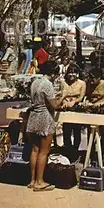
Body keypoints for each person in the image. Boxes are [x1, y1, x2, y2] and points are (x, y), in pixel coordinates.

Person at [26, 60, 67, 191]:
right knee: (44, 152)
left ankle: (32, 180)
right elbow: (54, 105)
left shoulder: (35, 82)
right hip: (45, 118)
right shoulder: (48, 85)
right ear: (53, 73)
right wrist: (63, 97)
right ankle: (40, 182)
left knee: (34, 150)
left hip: (33, 116)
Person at [60, 64, 86, 158]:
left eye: (74, 72)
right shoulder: (63, 82)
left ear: (77, 73)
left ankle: (75, 151)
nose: (71, 74)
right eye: (70, 72)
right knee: (66, 131)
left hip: (76, 108)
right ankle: (68, 150)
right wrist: (64, 102)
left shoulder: (82, 83)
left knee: (76, 131)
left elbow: (81, 97)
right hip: (66, 108)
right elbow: (60, 94)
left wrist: (74, 102)